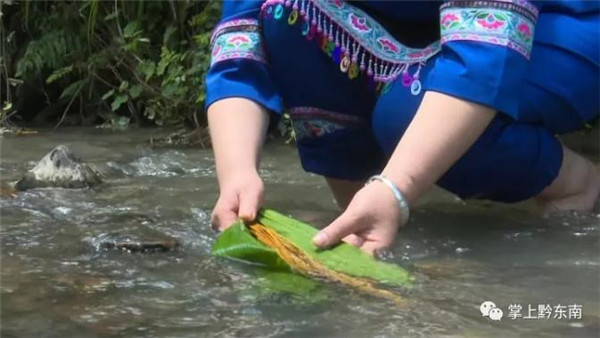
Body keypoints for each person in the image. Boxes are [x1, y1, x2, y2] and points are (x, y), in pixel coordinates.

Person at [205, 0, 600, 254]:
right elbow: (241, 43)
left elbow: (485, 51)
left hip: (555, 22)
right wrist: (237, 172)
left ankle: (576, 182)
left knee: (405, 111)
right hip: (409, 39)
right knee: (284, 12)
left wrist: (398, 185)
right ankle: (362, 214)